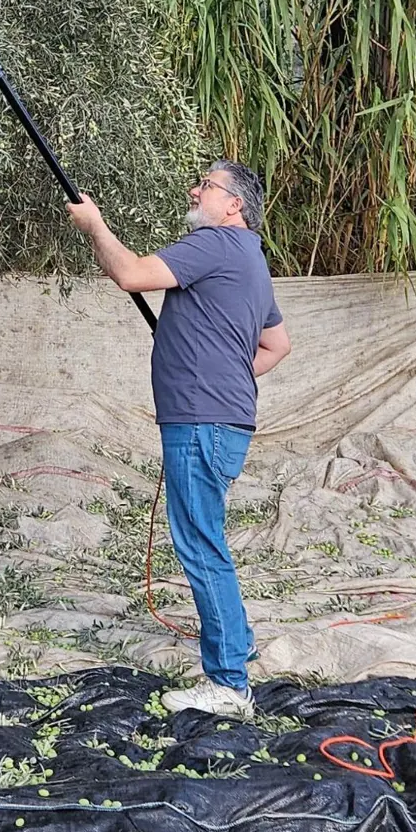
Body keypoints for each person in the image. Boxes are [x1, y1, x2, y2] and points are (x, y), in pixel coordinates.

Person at [67, 160, 290, 718]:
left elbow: (132, 275)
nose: (195, 191)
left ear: (233, 204)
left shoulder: (215, 243)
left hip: (201, 423)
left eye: (206, 186)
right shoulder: (251, 259)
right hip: (218, 419)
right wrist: (223, 371)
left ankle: (228, 684)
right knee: (206, 537)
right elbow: (277, 345)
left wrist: (95, 225)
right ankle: (237, 646)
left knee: (200, 544)